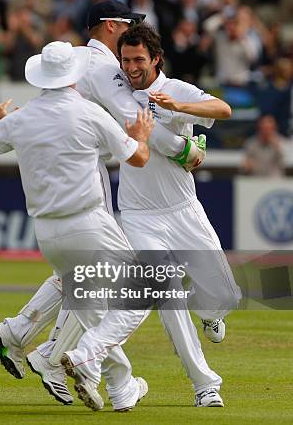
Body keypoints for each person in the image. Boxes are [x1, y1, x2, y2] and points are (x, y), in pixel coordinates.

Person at [0, 0, 207, 407]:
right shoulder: (107, 68)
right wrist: (183, 150)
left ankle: (25, 334)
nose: (132, 40)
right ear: (110, 25)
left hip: (56, 180)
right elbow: (135, 121)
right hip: (87, 179)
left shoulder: (68, 59)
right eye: (128, 27)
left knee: (86, 271)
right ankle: (62, 357)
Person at [63, 22, 240, 410]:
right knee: (167, 296)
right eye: (125, 60)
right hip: (139, 214)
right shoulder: (119, 94)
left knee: (225, 294)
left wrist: (180, 108)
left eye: (138, 60)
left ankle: (211, 313)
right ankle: (204, 384)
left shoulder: (176, 89)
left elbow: (222, 108)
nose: (130, 68)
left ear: (156, 58)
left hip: (183, 210)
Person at [0, 40, 154, 412]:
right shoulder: (88, 112)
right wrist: (141, 135)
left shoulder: (20, 118)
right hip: (87, 223)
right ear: (74, 76)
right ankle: (81, 357)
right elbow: (138, 159)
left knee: (91, 308)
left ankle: (119, 387)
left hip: (47, 234)